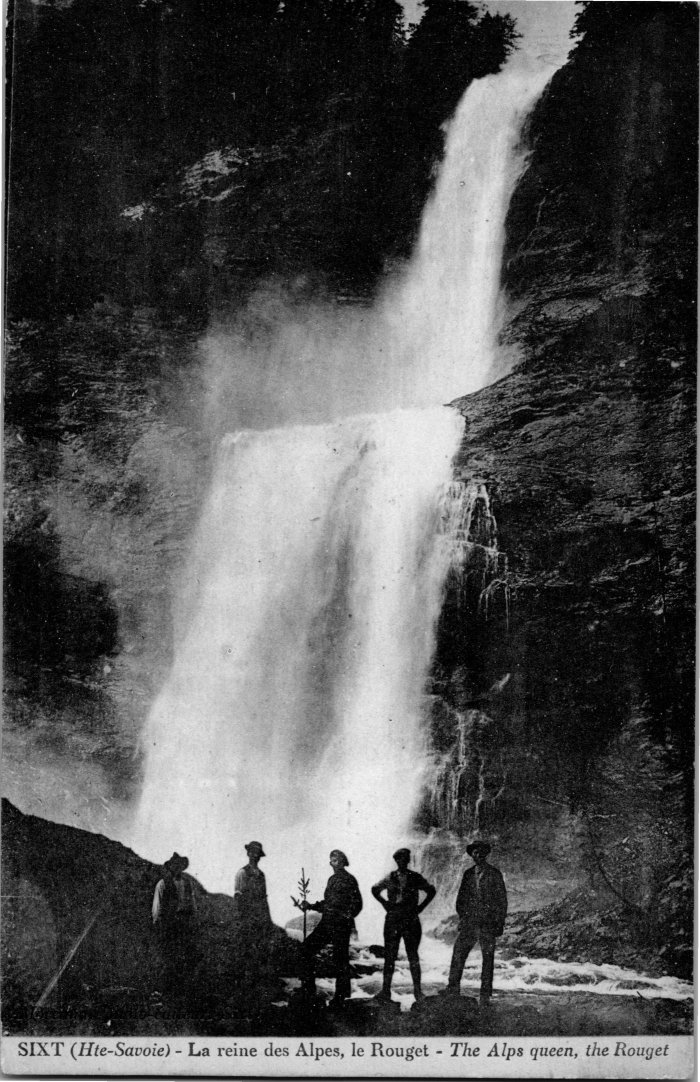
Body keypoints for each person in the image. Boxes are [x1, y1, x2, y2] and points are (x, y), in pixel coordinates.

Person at [445, 840, 507, 1005]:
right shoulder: (467, 874)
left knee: (487, 959)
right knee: (458, 954)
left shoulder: (494, 873)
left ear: (486, 854)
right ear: (472, 855)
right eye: (475, 853)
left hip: (488, 923)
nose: (478, 855)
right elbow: (461, 899)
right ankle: (452, 989)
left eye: (481, 853)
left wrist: (499, 923)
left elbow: (502, 901)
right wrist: (463, 917)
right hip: (470, 922)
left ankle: (485, 995)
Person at [372, 847, 436, 1004]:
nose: (403, 861)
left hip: (410, 919)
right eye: (400, 858)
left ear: (408, 861)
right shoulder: (390, 877)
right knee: (390, 956)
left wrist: (420, 908)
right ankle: (385, 991)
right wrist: (385, 903)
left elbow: (431, 891)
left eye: (406, 859)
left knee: (413, 955)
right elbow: (374, 889)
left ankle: (418, 992)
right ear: (396, 860)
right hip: (393, 918)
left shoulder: (415, 877)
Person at [300, 849, 363, 1009]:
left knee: (340, 959)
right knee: (306, 949)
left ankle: (340, 998)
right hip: (327, 923)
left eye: (337, 860)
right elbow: (328, 903)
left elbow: (358, 904)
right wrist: (311, 906)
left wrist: (347, 917)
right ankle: (308, 990)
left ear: (343, 862)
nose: (334, 863)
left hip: (340, 925)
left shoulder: (349, 880)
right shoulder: (332, 879)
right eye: (332, 860)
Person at [151, 852, 198, 1011]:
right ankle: (165, 996)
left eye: (179, 865)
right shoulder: (162, 884)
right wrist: (160, 927)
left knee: (183, 960)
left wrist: (190, 922)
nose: (177, 868)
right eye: (174, 865)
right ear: (170, 867)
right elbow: (157, 910)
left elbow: (191, 905)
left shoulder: (187, 883)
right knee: (168, 959)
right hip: (169, 926)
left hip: (183, 925)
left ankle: (180, 997)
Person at [234, 841, 272, 930]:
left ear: (260, 856)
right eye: (252, 852)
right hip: (246, 917)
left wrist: (267, 919)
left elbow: (264, 899)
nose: (255, 855)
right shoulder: (242, 872)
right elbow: (238, 898)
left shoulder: (261, 875)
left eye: (257, 853)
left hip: (261, 917)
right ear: (248, 853)